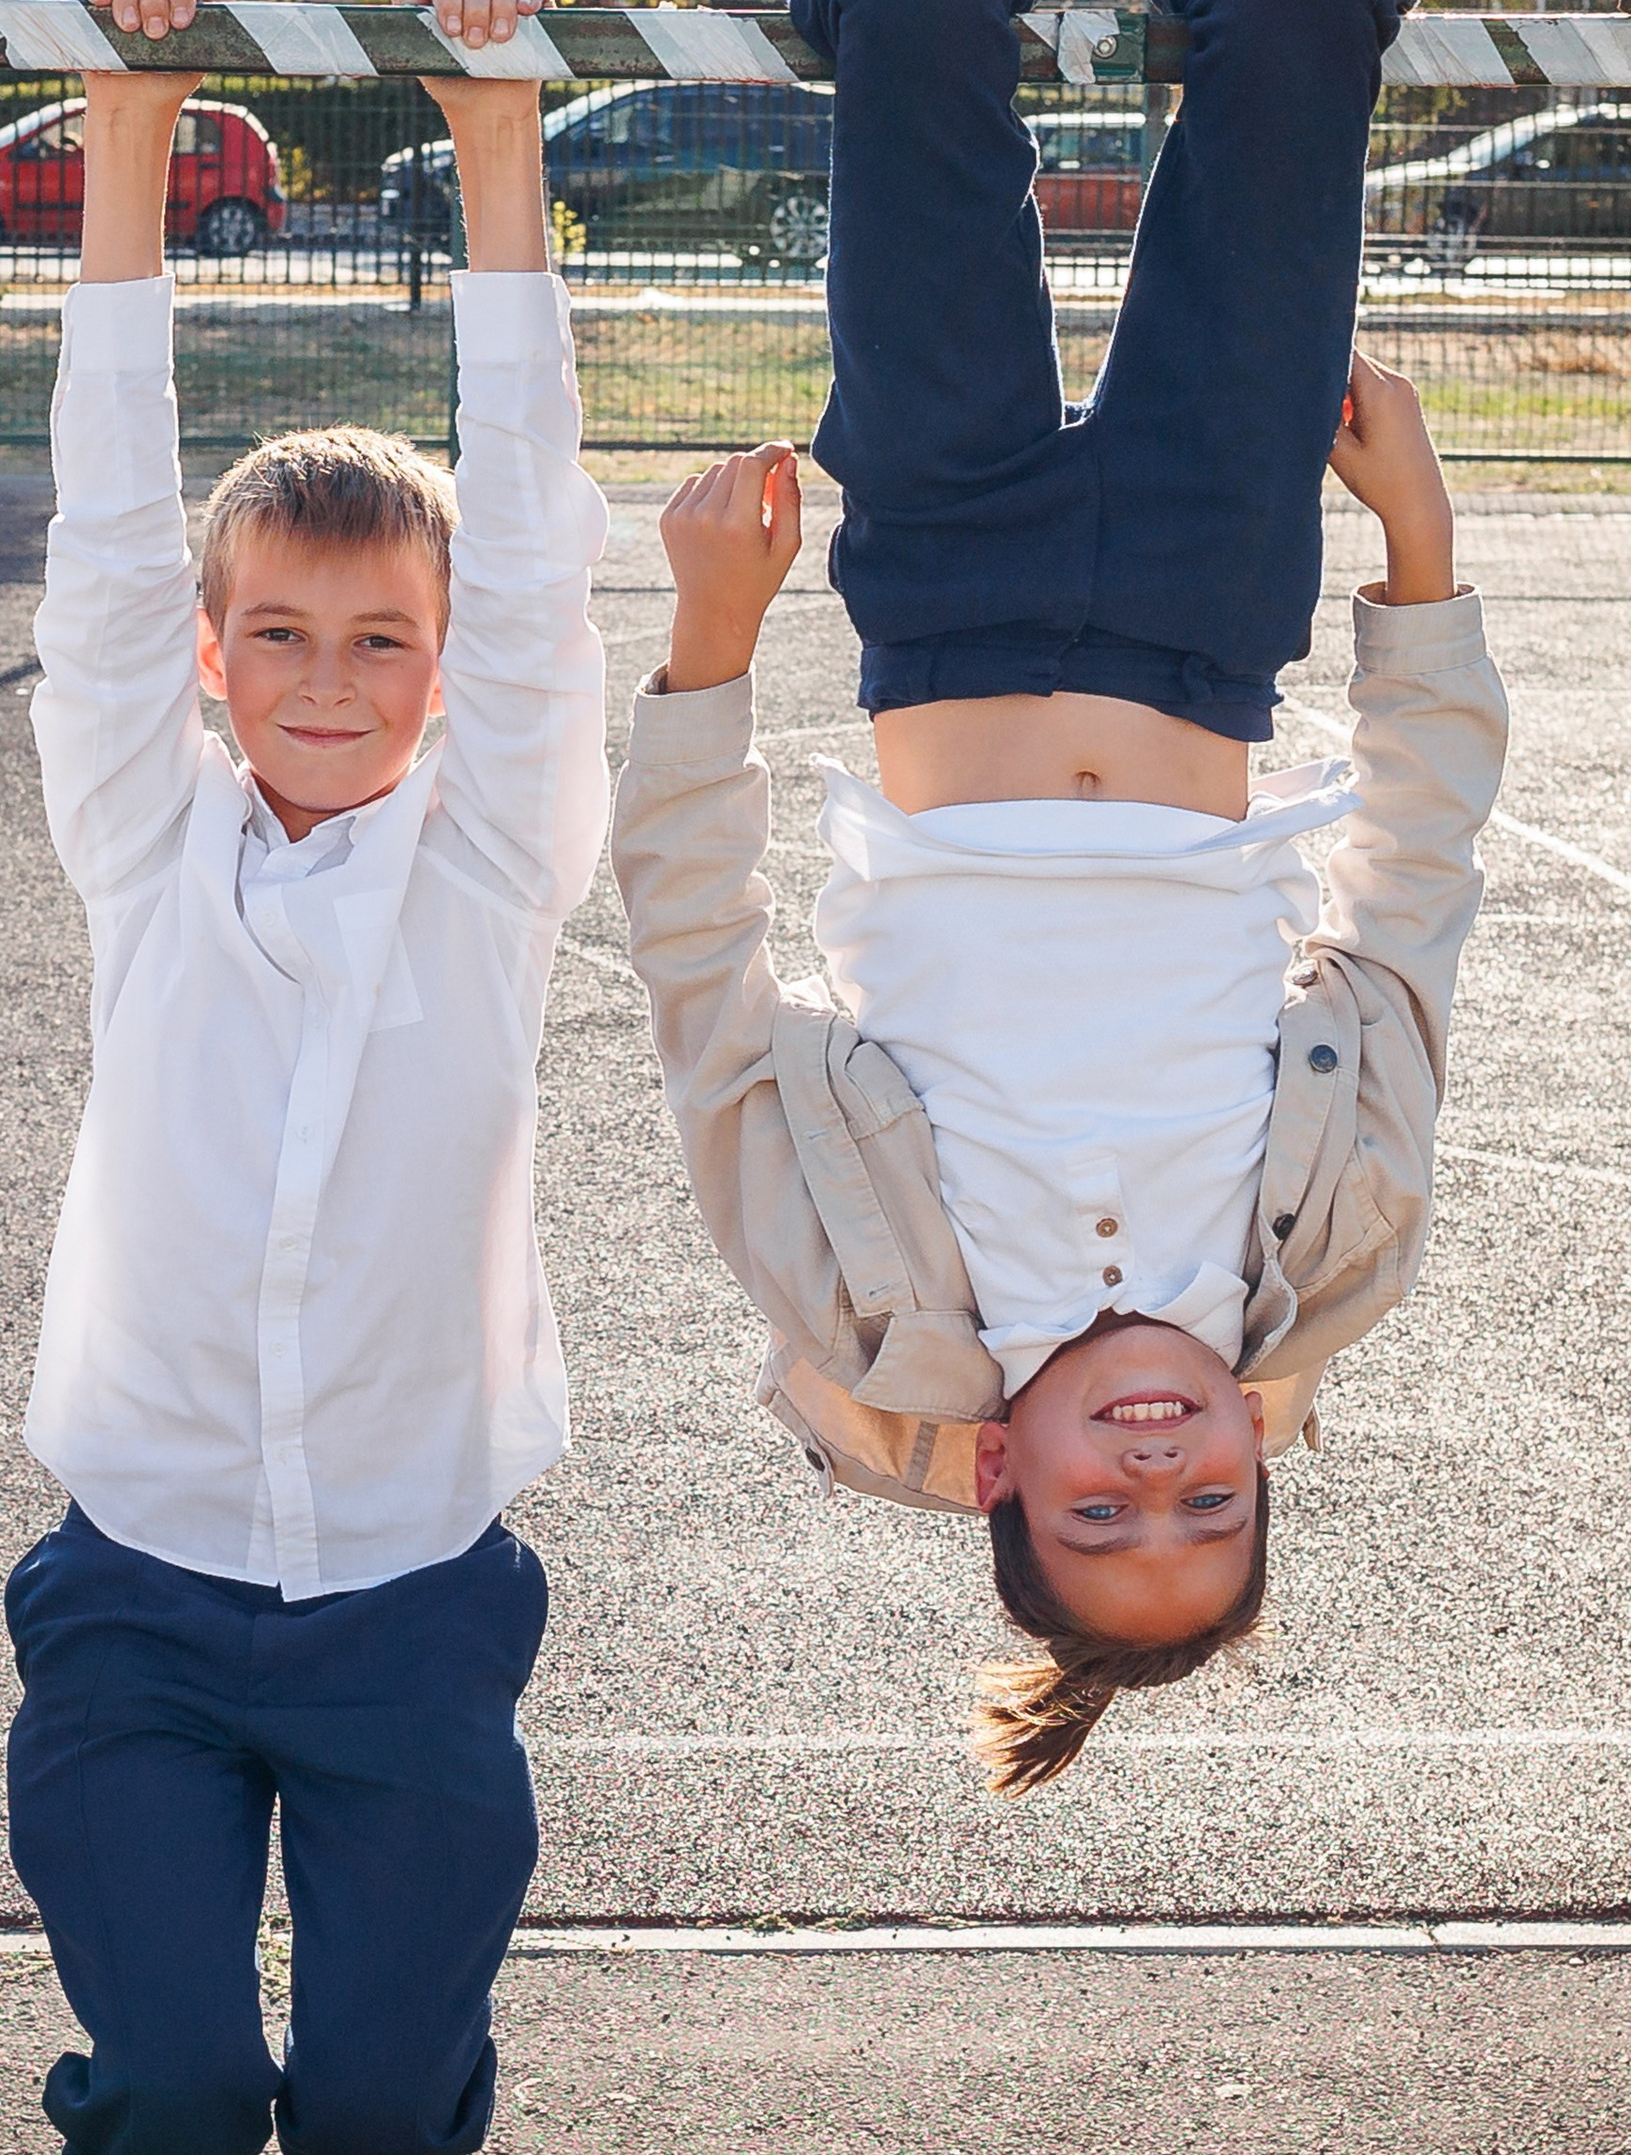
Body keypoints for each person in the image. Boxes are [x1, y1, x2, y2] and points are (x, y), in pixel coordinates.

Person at [607, 0, 1508, 1792]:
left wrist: (709, 647)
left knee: (915, 39)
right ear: (1262, 1450)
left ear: (1006, 1476)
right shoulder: (1334, 1253)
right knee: (1305, 44)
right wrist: (1422, 550)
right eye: (1210, 1500)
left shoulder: (862, 1306)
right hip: (1212, 597)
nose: (1159, 1463)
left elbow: (703, 982)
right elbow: (1410, 903)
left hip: (944, 591)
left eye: (1110, 1511)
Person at [5, 60, 607, 2155]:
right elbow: (102, 536)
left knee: (356, 2088)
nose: (329, 672)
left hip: (403, 1601)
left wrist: (494, 128)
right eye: (280, 634)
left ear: (447, 674)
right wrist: (123, 117)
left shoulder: (489, 872)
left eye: (382, 637)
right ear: (213, 664)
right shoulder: (143, 843)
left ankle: (387, 2141)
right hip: (135, 1587)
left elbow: (551, 561)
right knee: (161, 2082)